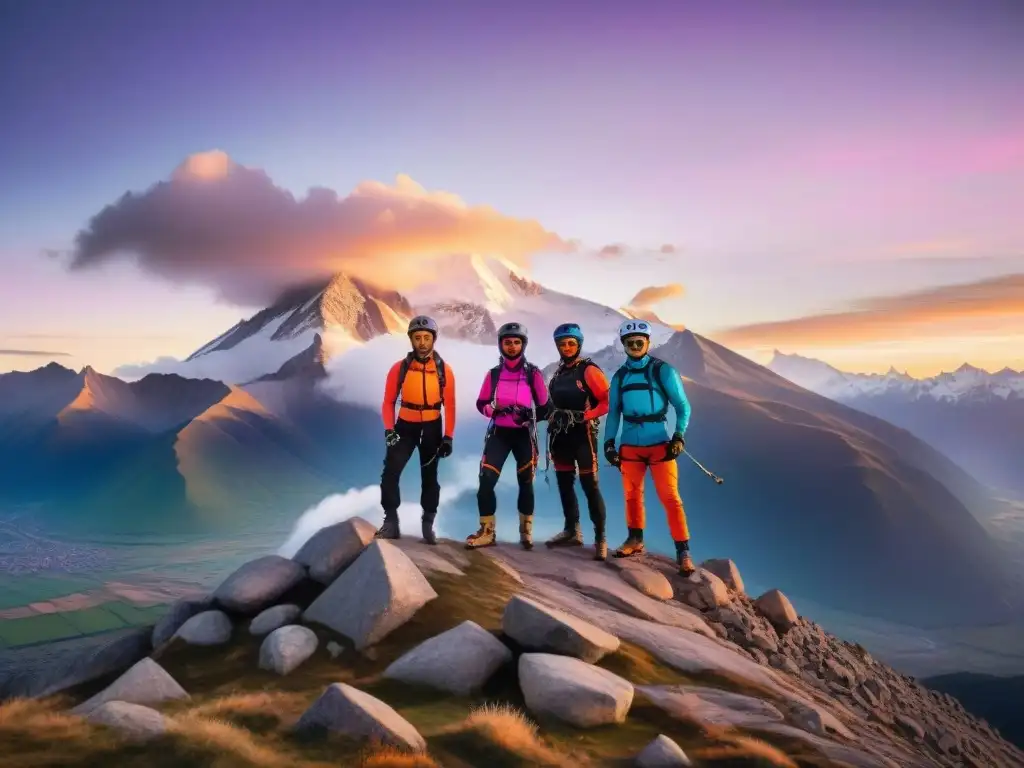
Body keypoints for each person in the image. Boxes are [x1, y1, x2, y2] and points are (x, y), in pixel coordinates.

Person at [603, 319, 696, 575]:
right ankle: (635, 539)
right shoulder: (620, 377)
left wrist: (678, 436)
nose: (634, 346)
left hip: (660, 444)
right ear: (624, 345)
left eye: (639, 342)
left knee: (670, 497)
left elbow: (682, 406)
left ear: (647, 343)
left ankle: (683, 552)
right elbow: (613, 414)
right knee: (632, 496)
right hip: (630, 445)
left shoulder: (663, 371)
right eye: (630, 343)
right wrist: (609, 443)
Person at [466, 322, 550, 550]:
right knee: (486, 482)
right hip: (499, 433)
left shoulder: (533, 373)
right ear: (501, 345)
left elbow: (545, 407)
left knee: (525, 483)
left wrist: (529, 415)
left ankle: (526, 532)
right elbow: (481, 403)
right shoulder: (493, 375)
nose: (512, 347)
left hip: (523, 434)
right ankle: (487, 532)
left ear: (523, 344)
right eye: (508, 342)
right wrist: (492, 411)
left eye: (516, 342)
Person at [379, 315, 456, 544]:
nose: (422, 342)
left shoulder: (444, 370)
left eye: (426, 338)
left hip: (432, 426)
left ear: (433, 339)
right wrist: (389, 429)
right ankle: (391, 522)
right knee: (390, 473)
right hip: (405, 426)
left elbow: (450, 405)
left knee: (430, 477)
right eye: (417, 338)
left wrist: (448, 436)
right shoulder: (399, 368)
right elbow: (388, 402)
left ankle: (427, 525)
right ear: (411, 340)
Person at [543, 323, 611, 560]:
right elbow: (551, 404)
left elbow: (607, 402)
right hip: (560, 435)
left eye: (571, 343)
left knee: (589, 486)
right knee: (564, 483)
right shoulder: (558, 373)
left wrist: (584, 416)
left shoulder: (589, 371)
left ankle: (601, 538)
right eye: (562, 344)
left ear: (579, 344)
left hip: (583, 436)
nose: (567, 347)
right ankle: (572, 531)